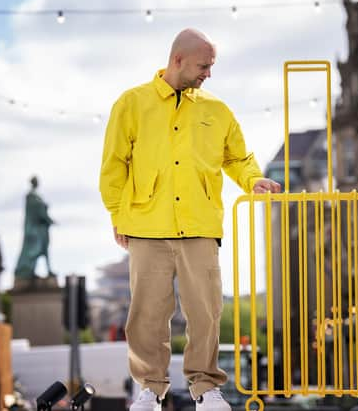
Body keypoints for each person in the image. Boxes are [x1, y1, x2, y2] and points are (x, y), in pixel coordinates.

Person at [99, 28, 280, 411]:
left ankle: (205, 389)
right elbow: (114, 166)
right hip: (146, 226)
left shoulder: (217, 110)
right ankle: (150, 389)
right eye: (204, 65)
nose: (208, 74)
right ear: (178, 60)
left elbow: (237, 157)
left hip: (199, 225)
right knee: (147, 315)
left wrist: (253, 179)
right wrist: (117, 214)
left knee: (207, 311)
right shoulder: (131, 104)